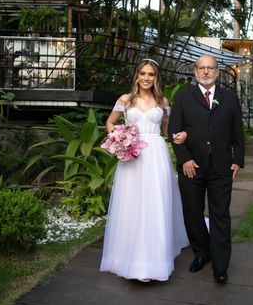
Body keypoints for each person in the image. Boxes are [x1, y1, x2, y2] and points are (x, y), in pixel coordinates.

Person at [100, 59, 189, 282]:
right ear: (137, 76)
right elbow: (109, 123)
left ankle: (154, 259)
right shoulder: (125, 100)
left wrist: (179, 136)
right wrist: (119, 138)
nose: (147, 78)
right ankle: (128, 257)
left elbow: (168, 131)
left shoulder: (162, 101)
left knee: (154, 202)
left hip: (156, 154)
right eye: (143, 74)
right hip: (132, 155)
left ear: (156, 78)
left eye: (151, 74)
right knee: (132, 204)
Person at [169, 55, 245, 284]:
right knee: (192, 213)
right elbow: (174, 132)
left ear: (217, 72)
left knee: (220, 214)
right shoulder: (183, 98)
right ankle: (202, 253)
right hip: (192, 166)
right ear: (195, 71)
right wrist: (185, 160)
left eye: (210, 68)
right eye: (201, 68)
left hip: (222, 167)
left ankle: (220, 266)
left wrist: (238, 160)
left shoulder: (230, 98)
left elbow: (237, 132)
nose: (206, 72)